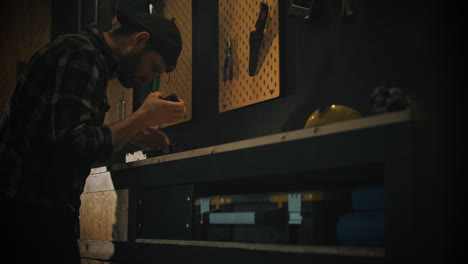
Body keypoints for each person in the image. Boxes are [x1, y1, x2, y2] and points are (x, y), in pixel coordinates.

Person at [0, 8, 186, 263]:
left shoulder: (83, 54)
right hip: (29, 217)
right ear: (140, 39)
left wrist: (132, 133)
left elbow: (62, 135)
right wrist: (143, 116)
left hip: (32, 214)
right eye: (153, 67)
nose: (148, 78)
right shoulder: (82, 56)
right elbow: (74, 146)